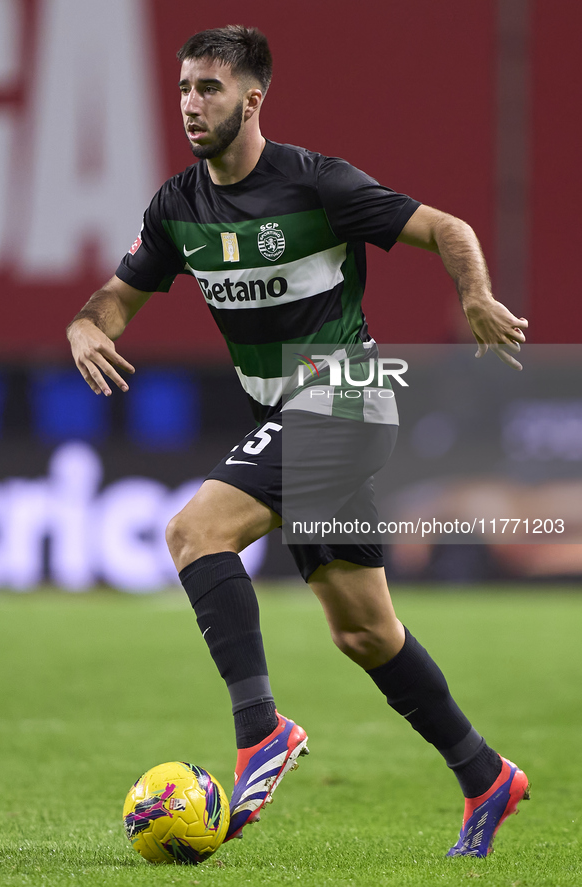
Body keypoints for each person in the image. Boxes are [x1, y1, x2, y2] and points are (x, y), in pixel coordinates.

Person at [67, 25, 530, 856]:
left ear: (252, 99)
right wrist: (84, 327)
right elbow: (113, 298)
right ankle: (486, 774)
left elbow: (449, 227)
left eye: (208, 88)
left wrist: (474, 295)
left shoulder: (319, 184)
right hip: (281, 412)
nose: (189, 105)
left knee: (192, 531)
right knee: (363, 631)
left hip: (346, 397)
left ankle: (260, 732)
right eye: (182, 88)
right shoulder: (178, 206)